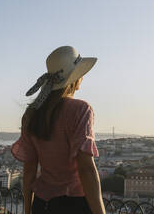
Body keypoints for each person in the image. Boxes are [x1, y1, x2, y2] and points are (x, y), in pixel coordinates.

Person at [11, 46, 106, 214]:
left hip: (41, 205)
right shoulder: (80, 110)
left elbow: (29, 171)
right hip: (74, 205)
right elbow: (86, 169)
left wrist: (28, 210)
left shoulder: (31, 114)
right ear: (75, 80)